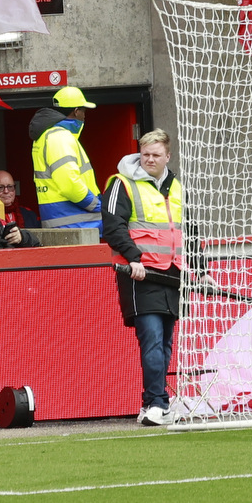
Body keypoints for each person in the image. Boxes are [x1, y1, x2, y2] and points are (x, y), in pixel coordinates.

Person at [100, 128, 184, 426]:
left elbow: (188, 229)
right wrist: (133, 258)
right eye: (145, 154)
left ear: (167, 157)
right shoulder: (121, 184)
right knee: (151, 340)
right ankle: (156, 403)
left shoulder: (176, 188)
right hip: (141, 274)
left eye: (156, 155)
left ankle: (155, 400)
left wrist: (199, 268)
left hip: (171, 274)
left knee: (165, 344)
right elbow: (112, 226)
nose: (150, 159)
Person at [31, 83, 103, 231]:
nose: (84, 116)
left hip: (63, 220)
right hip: (78, 223)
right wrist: (96, 205)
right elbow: (69, 183)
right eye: (83, 111)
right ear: (76, 111)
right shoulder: (60, 137)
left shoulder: (47, 135)